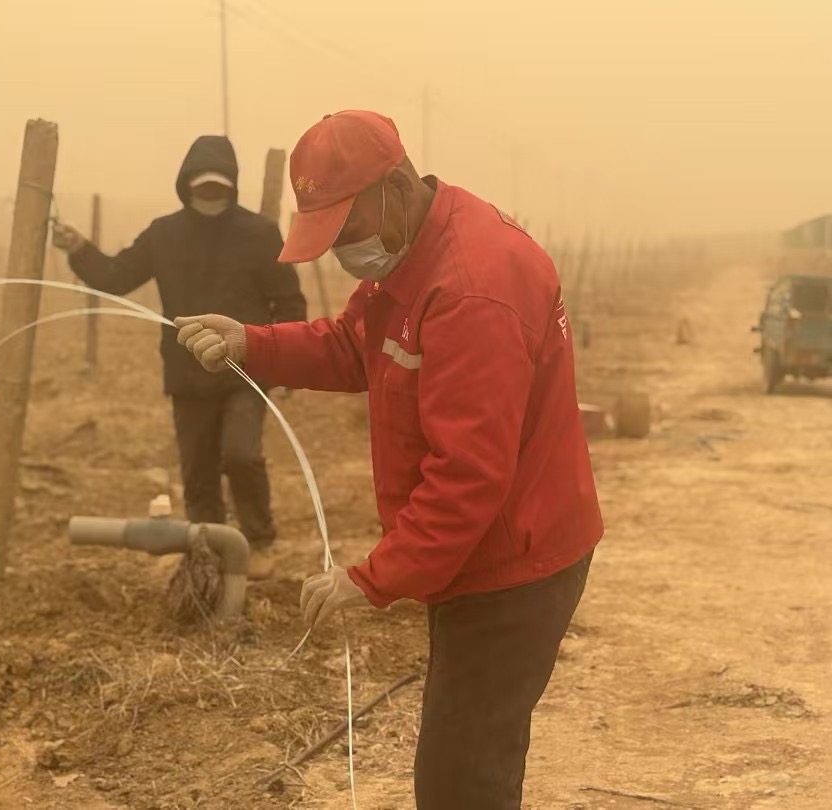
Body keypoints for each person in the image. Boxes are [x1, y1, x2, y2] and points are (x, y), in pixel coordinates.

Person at [175, 111, 603, 809]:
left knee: (461, 782)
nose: (343, 251)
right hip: (483, 550)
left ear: (395, 188)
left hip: (514, 563)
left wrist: (373, 579)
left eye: (346, 229)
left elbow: (468, 477)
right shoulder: (412, 252)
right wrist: (253, 343)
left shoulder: (471, 290)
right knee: (471, 760)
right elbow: (356, 345)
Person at [52, 135, 307, 576]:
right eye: (201, 186)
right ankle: (208, 550)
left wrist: (286, 363)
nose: (209, 195)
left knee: (241, 454)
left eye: (218, 187)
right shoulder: (164, 234)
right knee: (198, 470)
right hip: (186, 373)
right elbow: (115, 276)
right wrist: (79, 249)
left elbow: (288, 301)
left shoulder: (260, 234)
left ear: (232, 186)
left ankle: (259, 541)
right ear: (186, 185)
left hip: (246, 370)